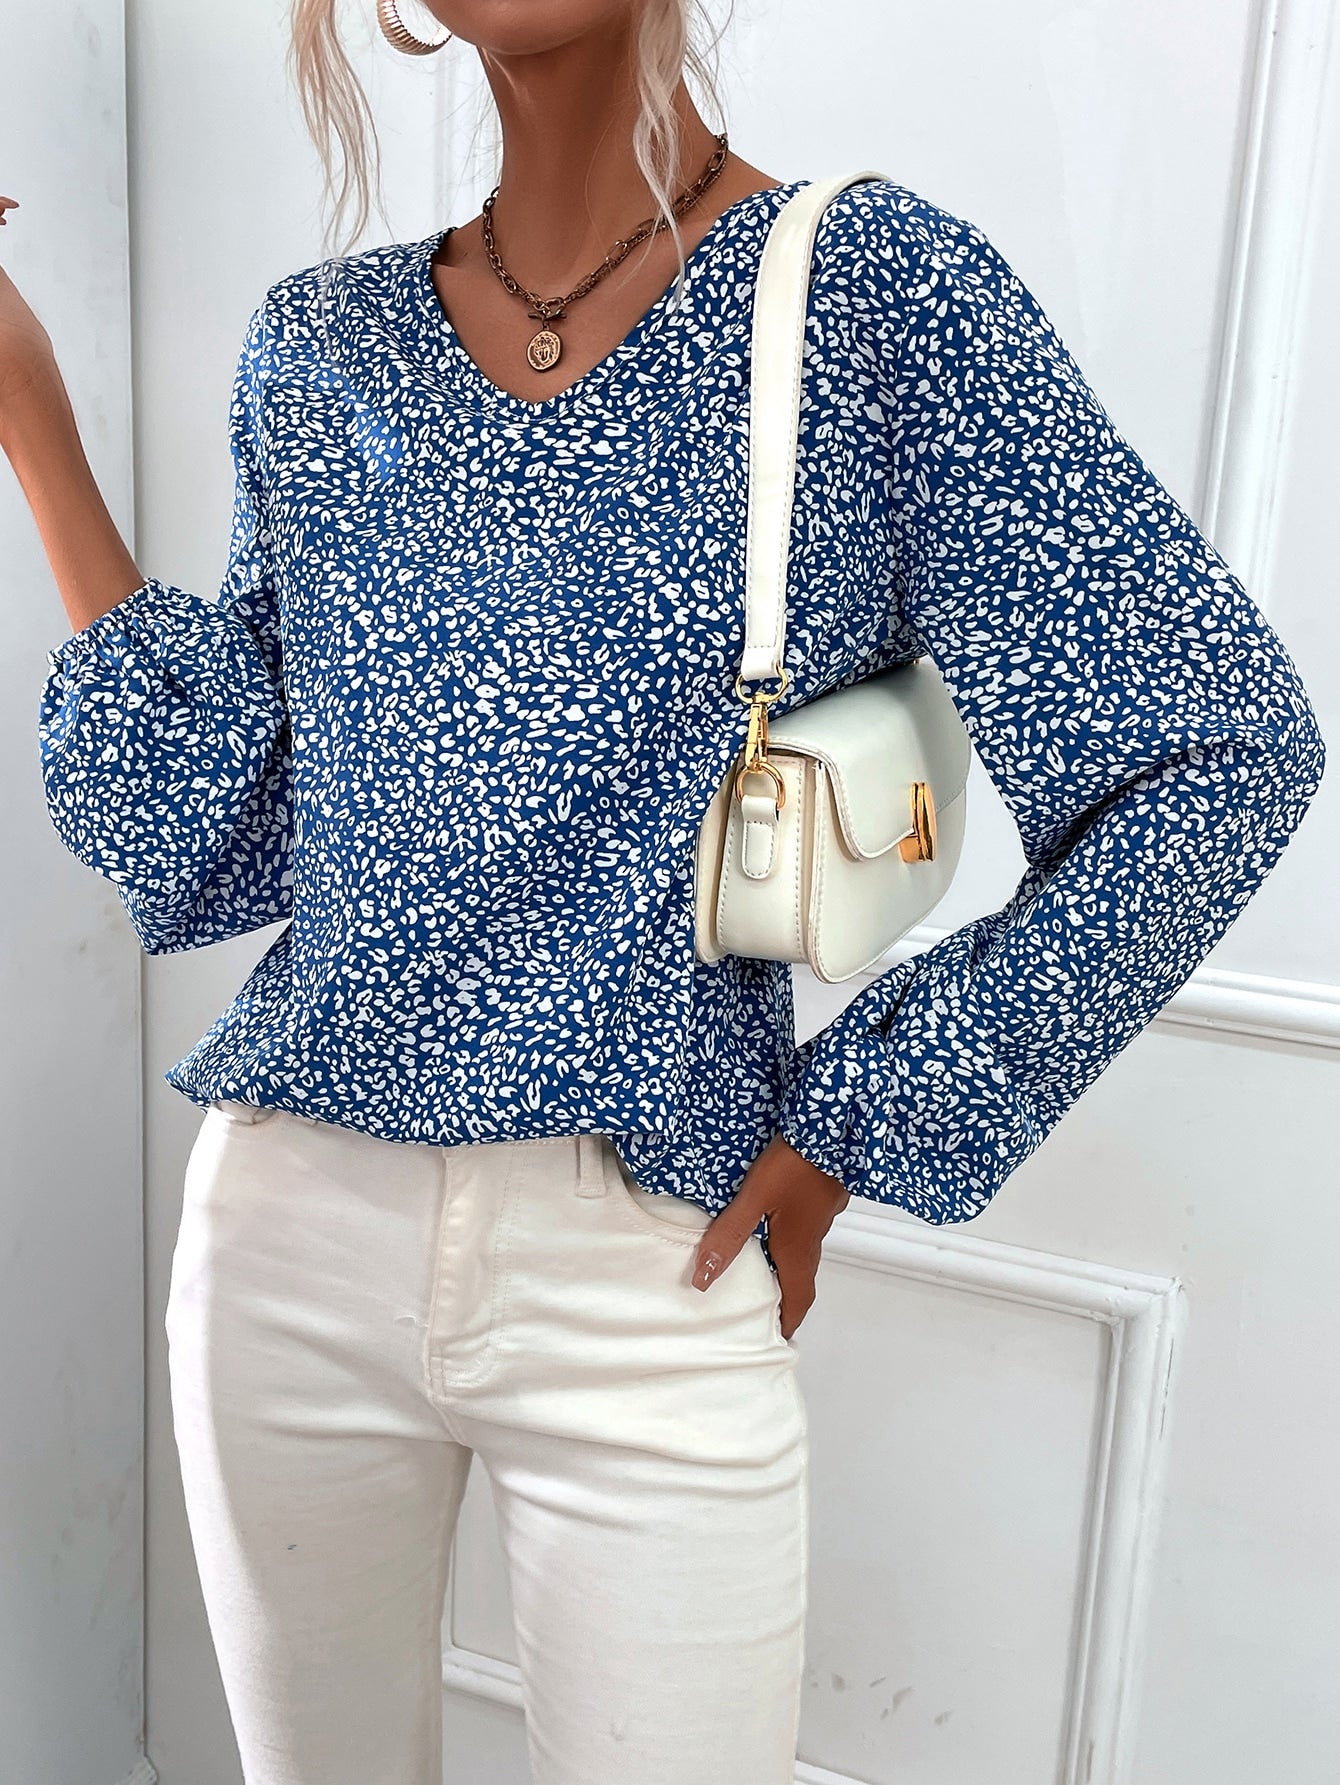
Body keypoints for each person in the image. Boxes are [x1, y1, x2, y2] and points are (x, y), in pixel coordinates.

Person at [1, 2, 1325, 1782]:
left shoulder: (869, 296)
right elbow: (210, 818)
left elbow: (1218, 747)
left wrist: (869, 1117)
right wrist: (30, 413)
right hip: (284, 1242)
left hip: (648, 1267)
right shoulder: (320, 346)